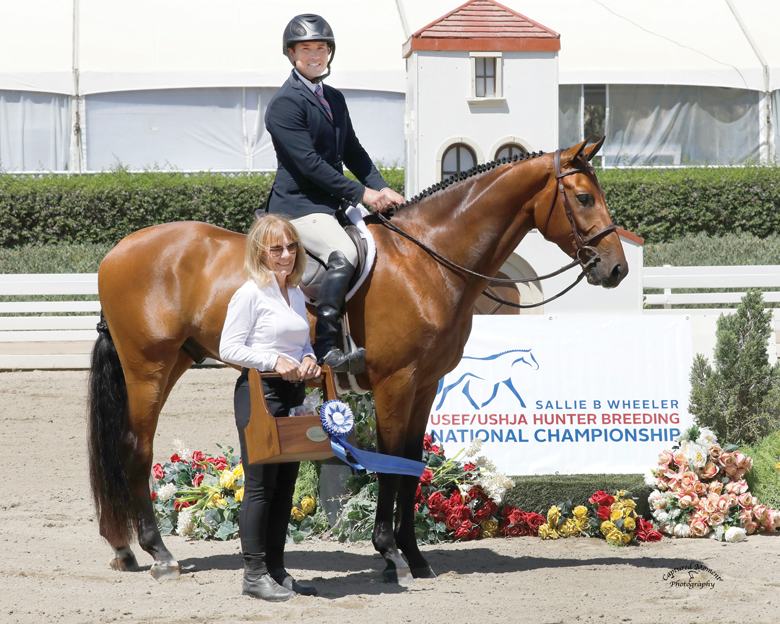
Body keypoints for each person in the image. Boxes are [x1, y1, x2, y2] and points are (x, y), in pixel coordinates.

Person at [265, 13, 405, 373]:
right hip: (300, 206)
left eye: (321, 48)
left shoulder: (334, 98)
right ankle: (327, 347)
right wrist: (363, 194)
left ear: (330, 52)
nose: (315, 55)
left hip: (332, 204)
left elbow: (353, 151)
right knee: (344, 253)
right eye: (306, 49)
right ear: (291, 54)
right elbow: (309, 164)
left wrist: (382, 187)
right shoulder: (284, 103)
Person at [219, 214, 321, 601]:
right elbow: (228, 347)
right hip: (260, 394)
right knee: (261, 486)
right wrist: (272, 360)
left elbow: (301, 343)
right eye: (277, 248)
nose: (286, 255)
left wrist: (309, 358)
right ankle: (253, 574)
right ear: (260, 252)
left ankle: (276, 570)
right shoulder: (250, 293)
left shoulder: (294, 292)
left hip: (293, 394)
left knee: (285, 486)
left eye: (292, 246)